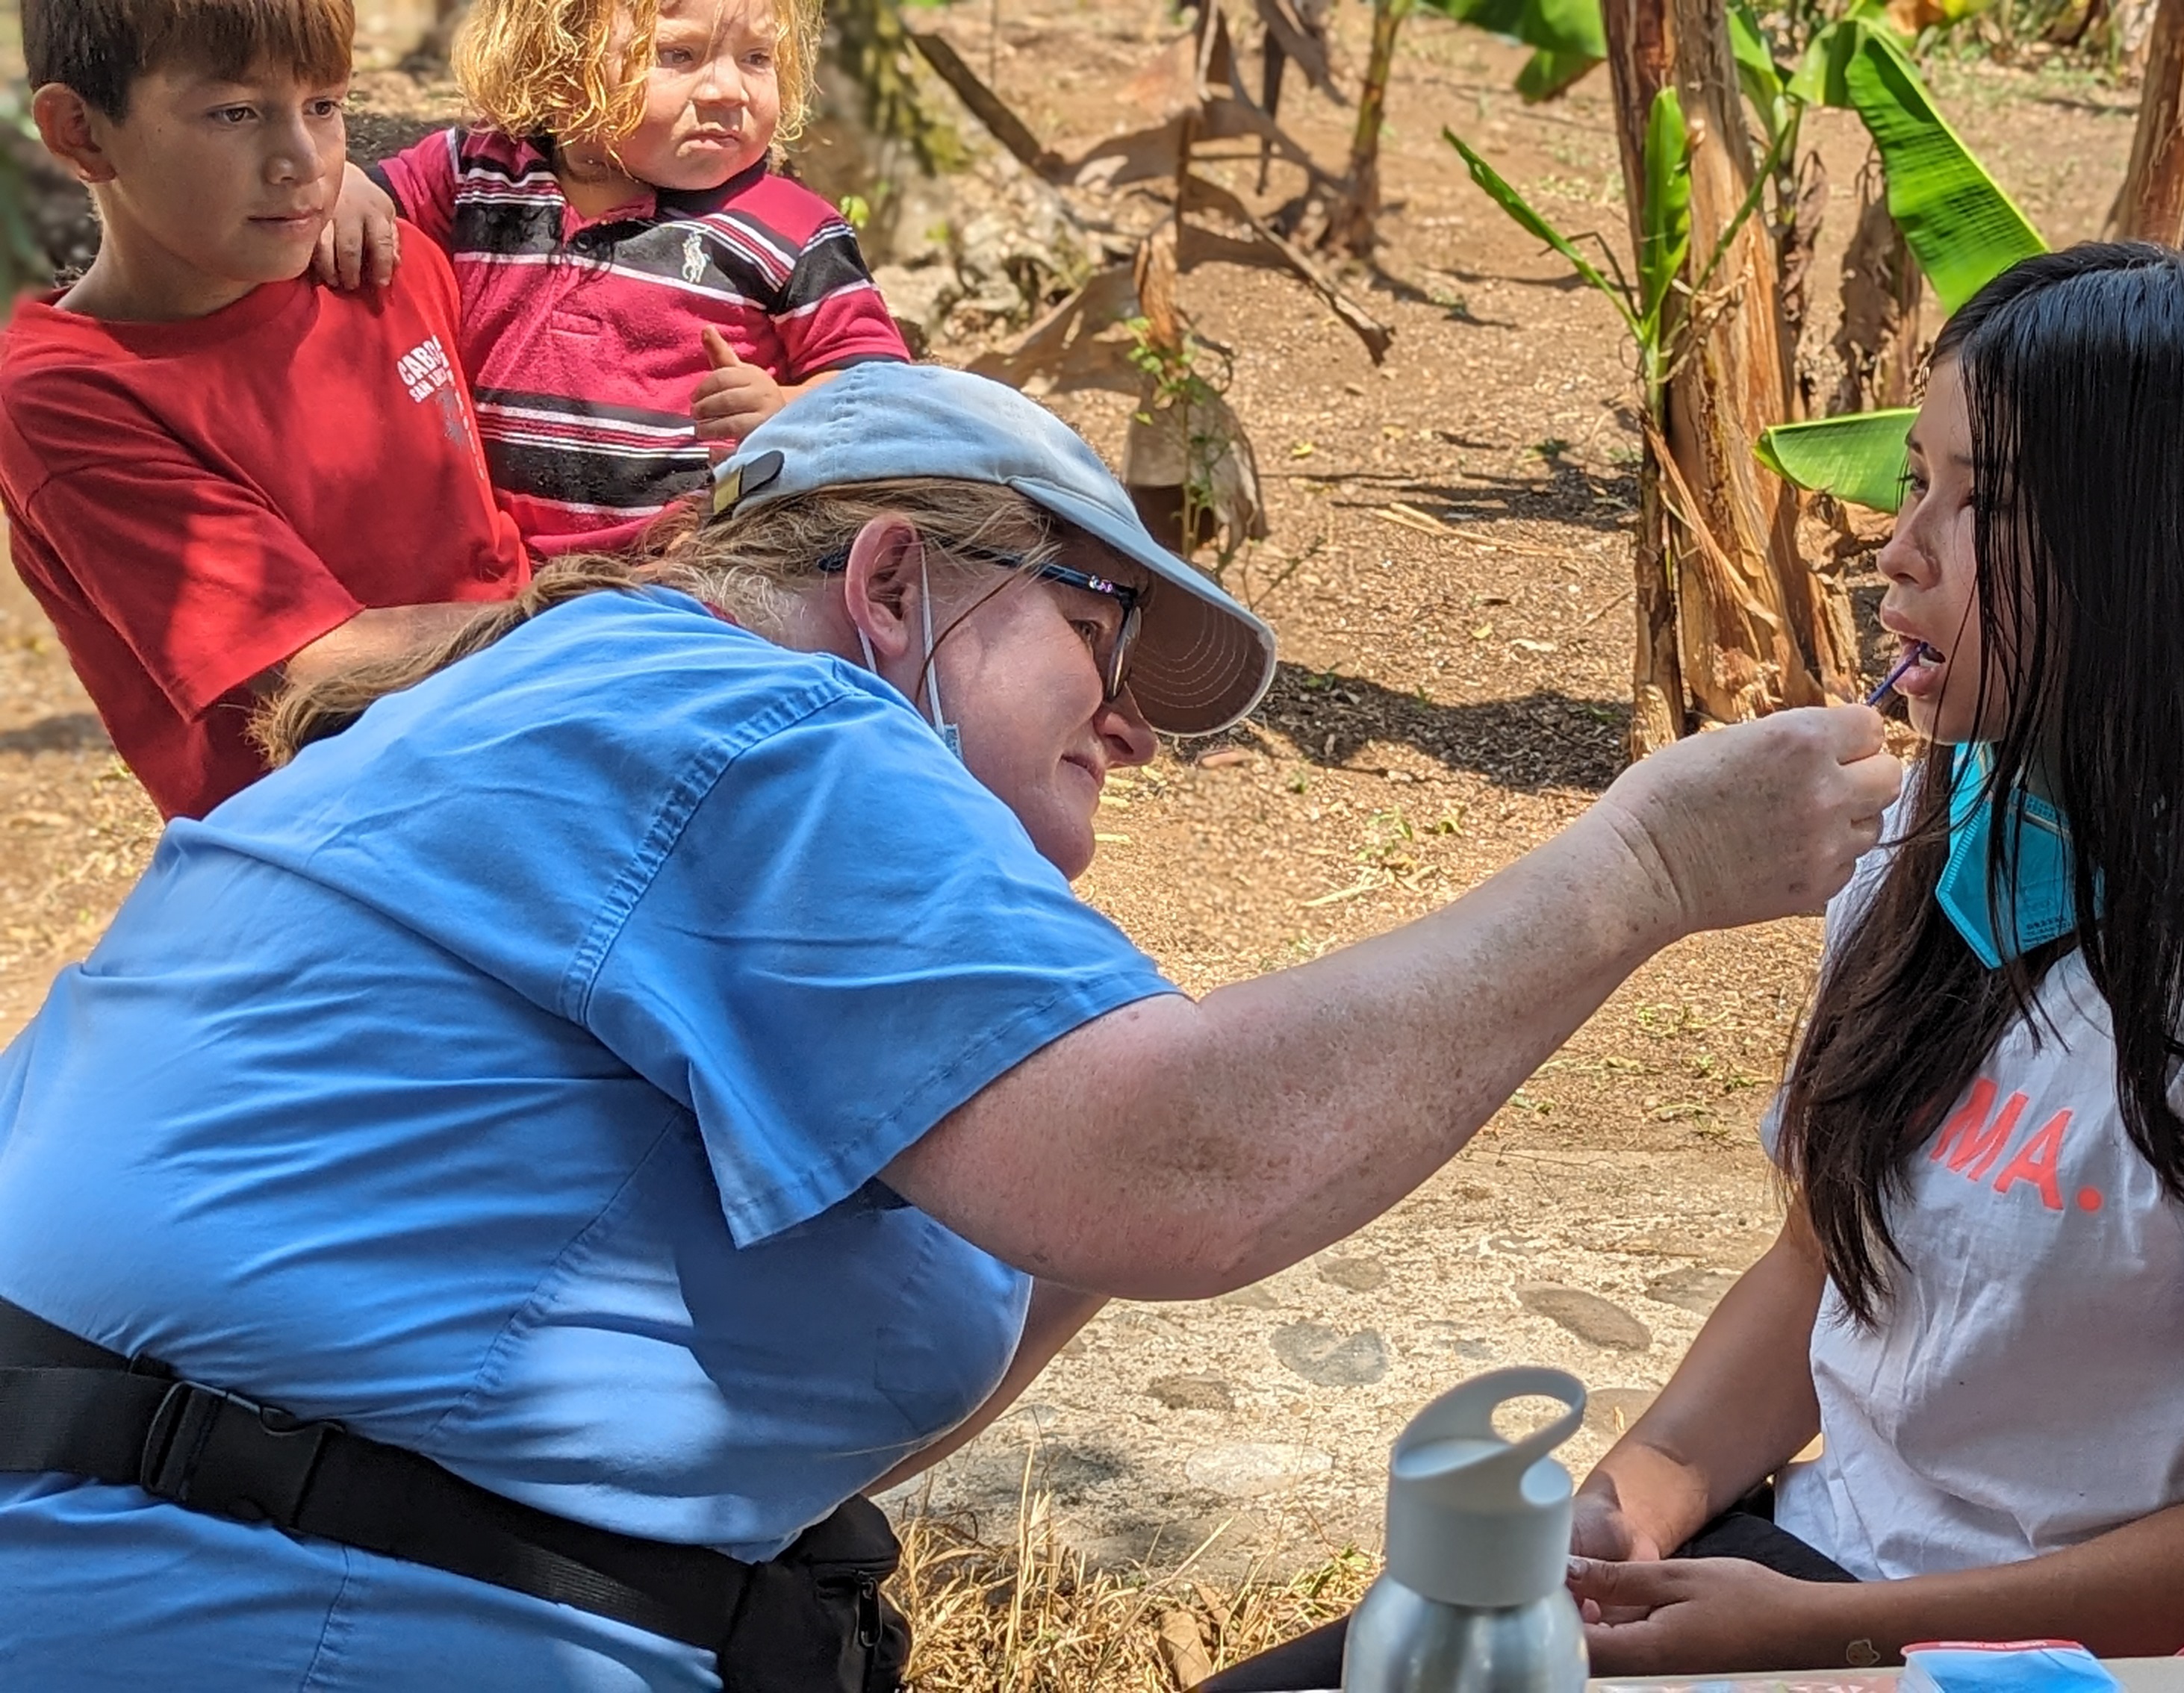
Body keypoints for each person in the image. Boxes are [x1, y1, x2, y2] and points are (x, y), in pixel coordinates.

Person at [0, 362, 1901, 1690]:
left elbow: (925, 1345)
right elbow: (1187, 1173)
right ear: (895, 581)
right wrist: (1644, 867)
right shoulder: (749, 723)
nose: (1137, 727)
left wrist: (1128, 1158)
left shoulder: (596, 719)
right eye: (1096, 630)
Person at [1201, 246, 2184, 1690]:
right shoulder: (1943, 837)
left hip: (2077, 1658)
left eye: (1983, 502)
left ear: (2173, 557)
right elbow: (1824, 1265)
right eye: (1914, 480)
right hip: (1822, 1571)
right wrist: (1641, 1497)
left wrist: (1818, 1630)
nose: (1899, 547)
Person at [0, 0, 530, 820]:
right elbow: (316, 666)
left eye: (324, 107)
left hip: (523, 761)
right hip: (340, 848)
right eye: (236, 113)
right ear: (80, 132)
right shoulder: (69, 397)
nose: (300, 162)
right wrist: (597, 621)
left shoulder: (385, 264)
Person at [317, 0, 909, 555]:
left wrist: (785, 405)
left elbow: (882, 389)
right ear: (561, 61)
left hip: (687, 570)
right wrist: (344, 185)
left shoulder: (792, 229)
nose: (730, 91)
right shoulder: (480, 170)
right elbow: (373, 201)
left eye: (758, 58)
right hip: (489, 567)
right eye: (679, 55)